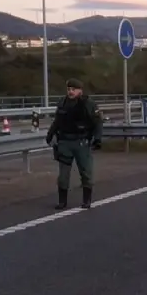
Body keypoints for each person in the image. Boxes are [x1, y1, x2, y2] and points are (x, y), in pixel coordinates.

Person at [45, 78, 103, 210]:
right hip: (65, 142)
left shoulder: (88, 104)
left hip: (81, 142)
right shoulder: (63, 103)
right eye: (69, 89)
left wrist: (97, 139)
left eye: (73, 89)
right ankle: (62, 201)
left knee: (86, 172)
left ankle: (86, 200)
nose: (70, 92)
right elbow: (57, 121)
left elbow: (98, 123)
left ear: (80, 90)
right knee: (63, 175)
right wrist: (50, 134)